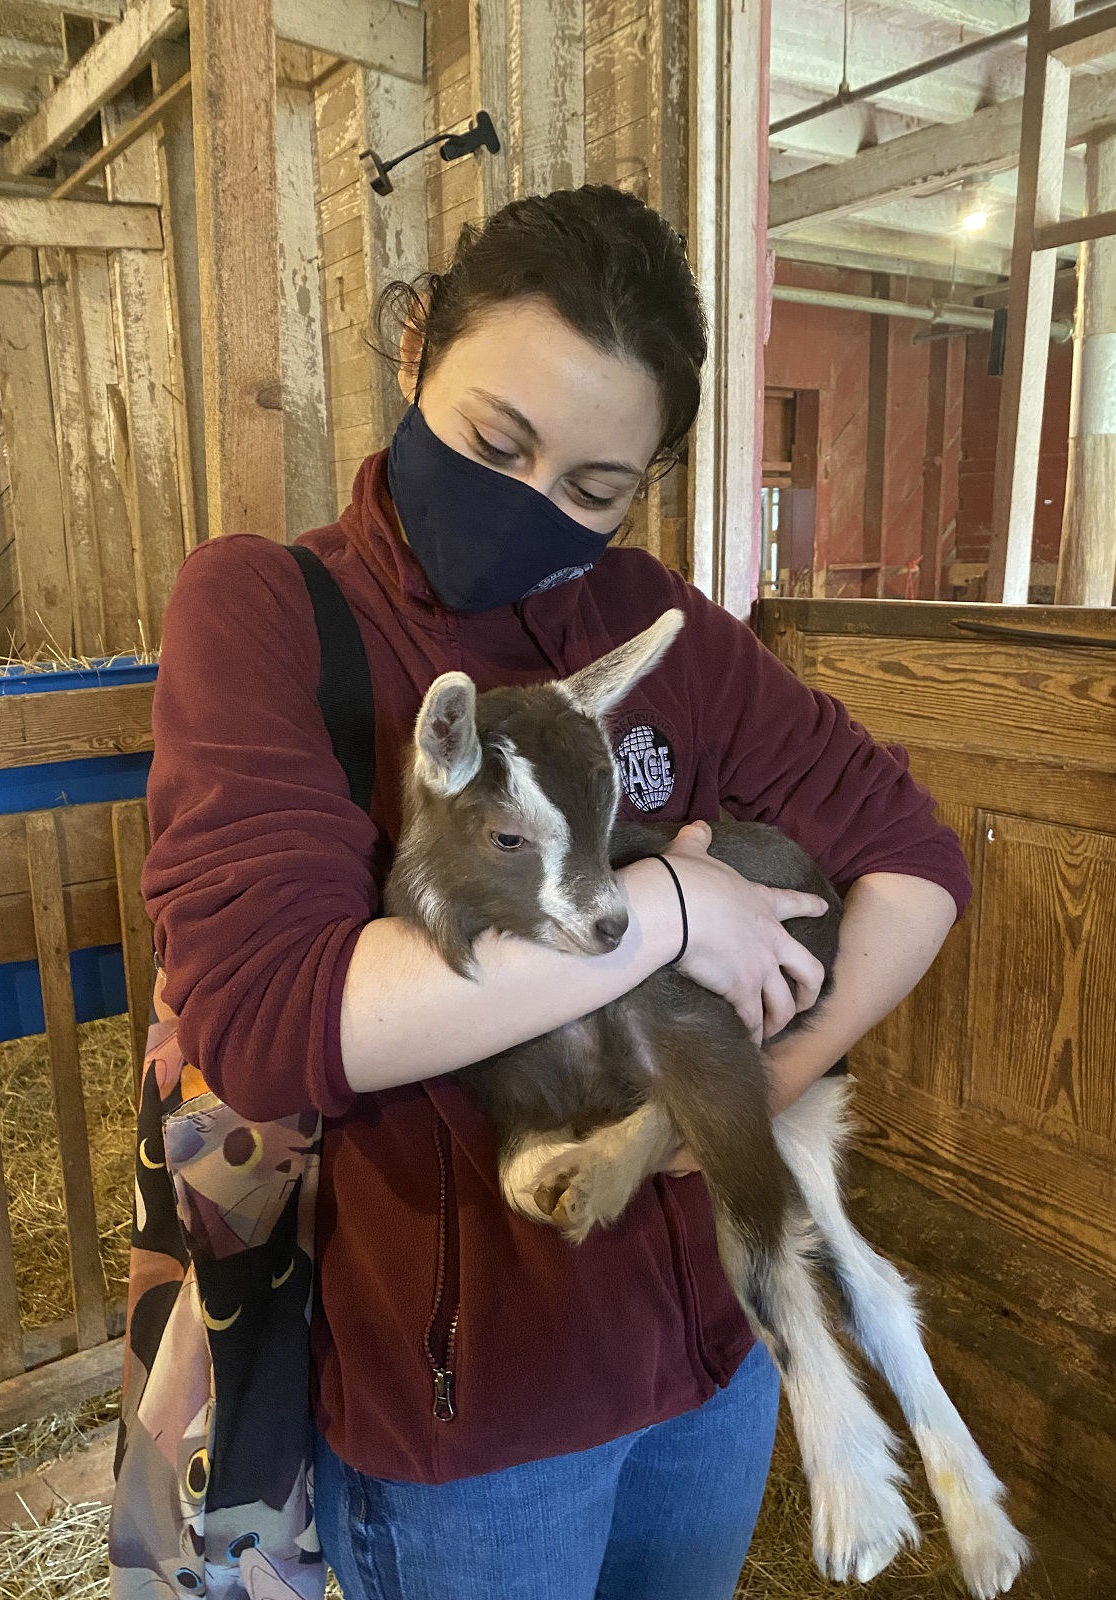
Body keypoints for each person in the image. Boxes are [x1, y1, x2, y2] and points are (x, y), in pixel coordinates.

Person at [143, 185, 968, 1600]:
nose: (537, 507)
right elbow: (275, 1020)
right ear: (416, 356)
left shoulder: (663, 635)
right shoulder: (267, 613)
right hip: (473, 1406)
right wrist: (671, 907)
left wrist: (762, 1093)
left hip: (708, 1368)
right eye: (494, 442)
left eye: (594, 488)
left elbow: (916, 858)